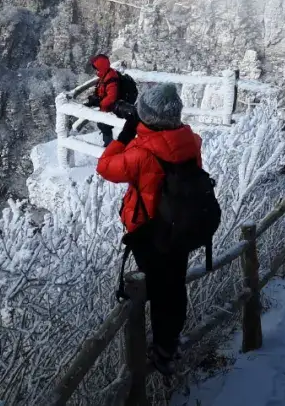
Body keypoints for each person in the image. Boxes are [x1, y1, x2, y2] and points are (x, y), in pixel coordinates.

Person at [96, 83, 203, 375]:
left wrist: (126, 134)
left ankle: (162, 350)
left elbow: (105, 167)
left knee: (157, 288)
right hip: (181, 226)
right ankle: (170, 340)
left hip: (152, 231)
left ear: (148, 118)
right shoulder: (191, 140)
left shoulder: (142, 152)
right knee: (174, 283)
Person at [86, 54, 135, 146]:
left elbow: (111, 98)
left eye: (96, 68)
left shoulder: (111, 77)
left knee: (104, 124)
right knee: (103, 124)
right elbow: (102, 90)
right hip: (108, 106)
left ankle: (108, 145)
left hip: (113, 107)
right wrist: (95, 97)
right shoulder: (105, 74)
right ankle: (108, 143)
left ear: (101, 67)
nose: (95, 70)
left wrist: (99, 102)